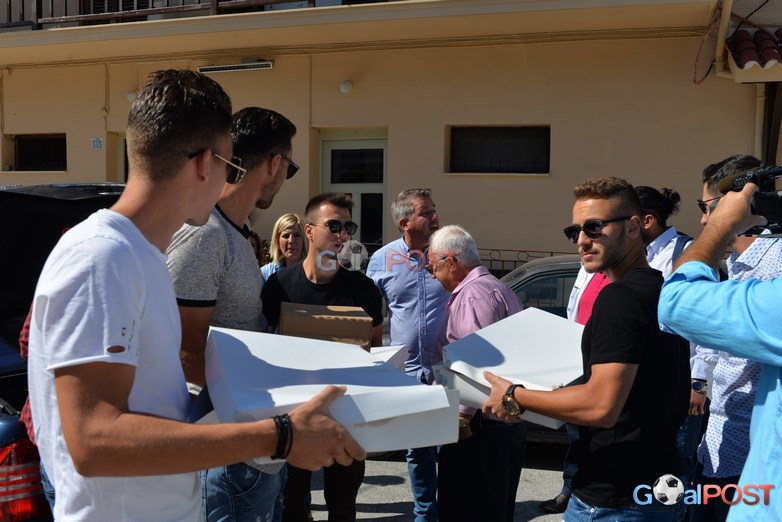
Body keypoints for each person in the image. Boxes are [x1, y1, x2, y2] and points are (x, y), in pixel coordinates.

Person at [26, 69, 364, 521]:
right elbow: (92, 441)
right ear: (206, 164)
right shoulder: (102, 257)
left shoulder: (140, 255)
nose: (230, 179)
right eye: (230, 165)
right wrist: (279, 435)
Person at [483, 177, 690, 521]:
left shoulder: (620, 298)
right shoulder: (658, 288)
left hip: (615, 499)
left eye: (594, 227)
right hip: (653, 488)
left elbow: (601, 405)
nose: (582, 240)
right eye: (574, 231)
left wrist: (514, 395)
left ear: (634, 227)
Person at [166, 106, 299, 522]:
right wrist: (260, 410)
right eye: (289, 168)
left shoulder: (238, 235)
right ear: (274, 163)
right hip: (228, 445)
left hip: (254, 442)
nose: (285, 177)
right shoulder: (205, 236)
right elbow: (184, 353)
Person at [659, 176, 782, 522]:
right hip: (725, 441)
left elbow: (677, 305)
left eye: (707, 208)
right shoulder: (743, 263)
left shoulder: (775, 264)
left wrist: (722, 225)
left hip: (749, 460)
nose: (703, 220)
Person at [261, 192, 384, 522]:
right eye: (334, 226)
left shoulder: (363, 290)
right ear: (310, 230)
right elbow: (262, 344)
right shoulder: (279, 285)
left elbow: (375, 350)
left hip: (346, 416)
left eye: (349, 227)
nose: (343, 234)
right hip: (293, 413)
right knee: (292, 505)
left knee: (342, 507)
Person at [426, 225, 524, 522]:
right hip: (496, 426)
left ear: (451, 261)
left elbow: (475, 362)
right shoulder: (495, 288)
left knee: (468, 509)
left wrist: (461, 417)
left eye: (432, 266)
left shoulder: (473, 296)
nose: (432, 274)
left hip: (478, 430)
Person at [365, 188, 449, 522]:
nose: (435, 217)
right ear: (404, 222)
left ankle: (454, 508)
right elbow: (371, 317)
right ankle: (425, 514)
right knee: (419, 450)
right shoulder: (381, 260)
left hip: (449, 366)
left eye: (434, 209)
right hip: (410, 371)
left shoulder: (449, 252)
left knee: (453, 446)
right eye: (426, 212)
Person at [636, 185, 718, 491]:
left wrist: (699, 382)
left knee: (678, 462)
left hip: (682, 381)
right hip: (648, 377)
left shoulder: (687, 253)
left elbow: (706, 319)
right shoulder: (639, 254)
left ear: (646, 221)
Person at [261, 213, 307, 285]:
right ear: (277, 240)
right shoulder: (266, 273)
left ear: (304, 240)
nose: (291, 241)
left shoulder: (316, 271)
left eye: (297, 235)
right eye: (286, 236)